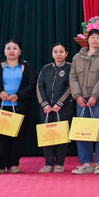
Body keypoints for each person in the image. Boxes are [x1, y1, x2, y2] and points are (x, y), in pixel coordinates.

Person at [0, 40, 36, 174]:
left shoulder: (27, 67)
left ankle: (13, 164)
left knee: (18, 136)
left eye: (15, 48)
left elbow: (32, 85)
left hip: (20, 107)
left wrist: (19, 95)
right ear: (4, 51)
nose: (11, 51)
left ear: (20, 51)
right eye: (9, 48)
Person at [69, 28, 99, 175]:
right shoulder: (77, 57)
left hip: (97, 100)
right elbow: (72, 77)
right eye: (92, 37)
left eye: (98, 38)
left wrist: (94, 95)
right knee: (83, 131)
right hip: (81, 99)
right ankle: (86, 163)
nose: (95, 40)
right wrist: (77, 95)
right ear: (87, 39)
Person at [36, 43, 75, 173]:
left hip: (63, 108)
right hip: (46, 108)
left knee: (61, 135)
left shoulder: (70, 68)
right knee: (47, 134)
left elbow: (71, 86)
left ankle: (59, 163)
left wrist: (59, 103)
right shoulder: (46, 68)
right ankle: (48, 163)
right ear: (52, 54)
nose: (58, 54)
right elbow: (39, 86)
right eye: (55, 52)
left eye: (61, 52)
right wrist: (44, 104)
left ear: (66, 53)